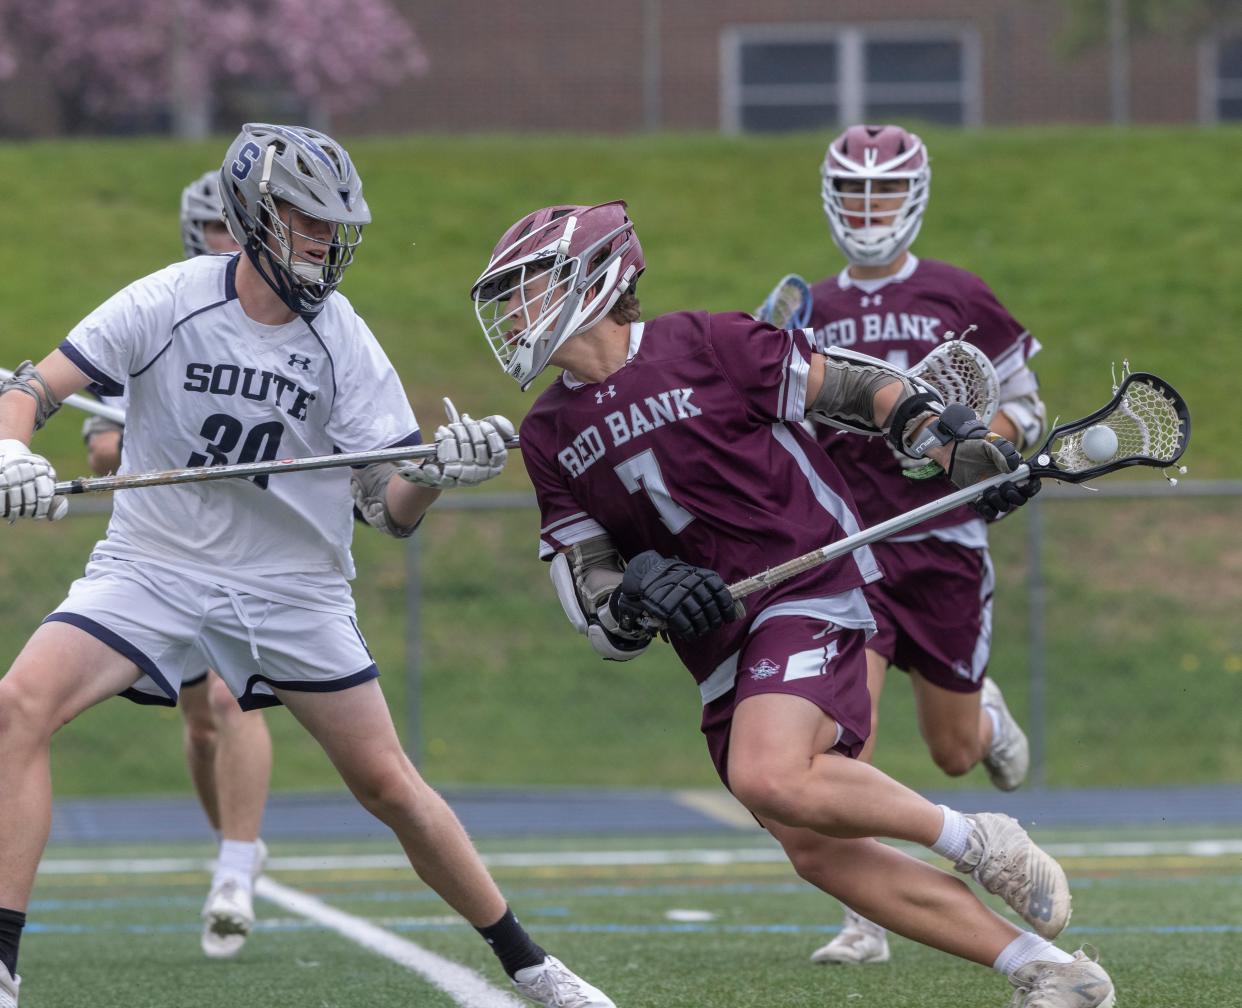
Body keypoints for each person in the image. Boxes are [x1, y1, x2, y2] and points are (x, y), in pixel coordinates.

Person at [0, 123, 613, 1008]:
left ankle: (531, 966)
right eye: (306, 219)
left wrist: (437, 474)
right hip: (153, 564)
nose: (326, 242)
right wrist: (14, 455)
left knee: (387, 784)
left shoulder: (342, 338)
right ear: (254, 215)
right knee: (19, 706)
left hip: (291, 586)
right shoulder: (169, 299)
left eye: (335, 224)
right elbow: (31, 389)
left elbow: (388, 508)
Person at [468, 200, 1116, 1008]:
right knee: (817, 850)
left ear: (594, 278)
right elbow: (594, 594)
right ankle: (1049, 971)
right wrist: (639, 594)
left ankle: (980, 839)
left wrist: (944, 440)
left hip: (807, 588)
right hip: (719, 648)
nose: (514, 310)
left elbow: (851, 385)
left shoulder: (704, 342)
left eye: (528, 285)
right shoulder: (548, 433)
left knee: (767, 774)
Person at [803, 124, 1047, 966]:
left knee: (951, 756)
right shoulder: (803, 307)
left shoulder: (957, 293)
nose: (871, 208)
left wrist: (988, 439)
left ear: (915, 195)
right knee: (840, 742)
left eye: (886, 191)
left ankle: (981, 711)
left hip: (943, 543)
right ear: (835, 199)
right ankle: (863, 922)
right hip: (848, 550)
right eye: (857, 192)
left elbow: (1026, 404)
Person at [79, 168, 275, 960]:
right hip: (164, 555)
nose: (231, 242)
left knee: (235, 702)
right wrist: (124, 447)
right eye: (220, 227)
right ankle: (234, 845)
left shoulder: (289, 324)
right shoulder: (165, 311)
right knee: (199, 727)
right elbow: (100, 447)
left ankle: (236, 866)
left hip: (251, 556)